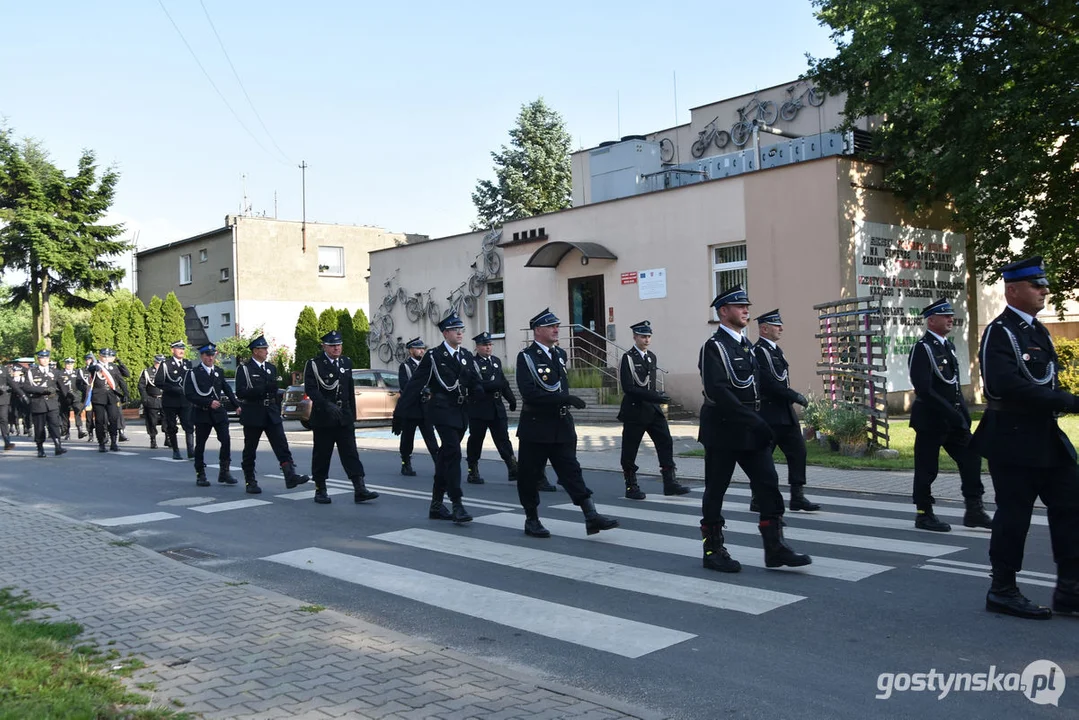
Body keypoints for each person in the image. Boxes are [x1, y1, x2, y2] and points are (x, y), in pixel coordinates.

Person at [973, 257, 1079, 620]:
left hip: (1045, 435)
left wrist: (1060, 398)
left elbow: (1046, 378)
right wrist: (1063, 400)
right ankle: (1002, 589)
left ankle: (1070, 588)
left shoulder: (1037, 331)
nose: (1044, 291)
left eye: (1044, 285)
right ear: (1013, 290)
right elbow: (1003, 384)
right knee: (1014, 514)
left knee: (1071, 505)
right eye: (1036, 285)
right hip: (1012, 437)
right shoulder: (999, 332)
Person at [698, 286, 811, 573]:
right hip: (723, 431)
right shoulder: (715, 347)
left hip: (751, 430)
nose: (746, 309)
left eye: (747, 305)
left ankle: (774, 548)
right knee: (716, 490)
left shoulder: (746, 346)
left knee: (768, 486)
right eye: (739, 306)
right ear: (723, 312)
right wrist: (756, 422)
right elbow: (720, 392)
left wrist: (760, 422)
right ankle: (713, 549)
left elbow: (760, 386)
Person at [514, 308, 619, 538]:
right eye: (551, 326)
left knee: (572, 471)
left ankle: (591, 516)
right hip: (536, 426)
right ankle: (532, 519)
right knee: (530, 476)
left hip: (561, 426)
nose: (556, 330)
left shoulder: (560, 354)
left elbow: (560, 386)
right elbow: (530, 394)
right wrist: (564, 398)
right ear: (538, 330)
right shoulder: (527, 357)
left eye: (557, 326)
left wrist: (564, 402)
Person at [908, 298, 991, 532]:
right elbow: (924, 389)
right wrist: (950, 413)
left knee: (972, 459)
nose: (949, 319)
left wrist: (962, 418)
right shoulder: (922, 348)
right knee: (927, 469)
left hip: (954, 421)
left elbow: (954, 386)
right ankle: (924, 514)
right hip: (931, 421)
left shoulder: (948, 347)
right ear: (931, 320)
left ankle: (974, 509)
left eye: (950, 316)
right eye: (945, 316)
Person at [394, 313, 478, 524]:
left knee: (444, 458)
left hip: (460, 412)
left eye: (462, 329)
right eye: (455, 330)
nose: (460, 333)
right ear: (445, 333)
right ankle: (457, 504)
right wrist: (399, 413)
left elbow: (475, 382)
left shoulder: (466, 355)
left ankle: (436, 505)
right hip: (441, 411)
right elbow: (414, 385)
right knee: (453, 453)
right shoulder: (434, 356)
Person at [751, 309, 821, 514]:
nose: (781, 328)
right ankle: (757, 497)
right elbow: (768, 383)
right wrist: (794, 395)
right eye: (775, 325)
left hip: (785, 413)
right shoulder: (758, 352)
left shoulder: (776, 350)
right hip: (768, 413)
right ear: (764, 328)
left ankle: (797, 497)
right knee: (763, 458)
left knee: (798, 452)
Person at [304, 330, 379, 505]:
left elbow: (349, 389)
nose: (337, 348)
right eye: (332, 345)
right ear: (324, 346)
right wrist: (325, 405)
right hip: (324, 416)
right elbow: (311, 389)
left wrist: (352, 414)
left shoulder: (345, 362)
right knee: (322, 454)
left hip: (343, 416)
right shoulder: (315, 364)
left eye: (339, 344)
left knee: (351, 453)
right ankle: (320, 489)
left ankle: (359, 488)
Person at [617, 321, 689, 500]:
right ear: (635, 337)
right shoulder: (628, 358)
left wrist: (656, 397)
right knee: (630, 448)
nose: (646, 340)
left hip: (652, 410)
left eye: (648, 336)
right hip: (635, 409)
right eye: (643, 336)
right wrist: (654, 396)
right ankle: (631, 485)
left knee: (665, 442)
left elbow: (649, 383)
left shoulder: (651, 357)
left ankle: (670, 482)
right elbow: (629, 388)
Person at [235, 335, 310, 494]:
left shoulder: (270, 368)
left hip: (271, 412)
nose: (266, 351)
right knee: (250, 449)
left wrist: (276, 396)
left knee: (281, 444)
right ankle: (250, 480)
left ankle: (290, 475)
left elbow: (274, 388)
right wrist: (261, 389)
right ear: (255, 351)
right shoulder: (245, 369)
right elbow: (241, 392)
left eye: (266, 348)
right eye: (263, 349)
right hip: (254, 412)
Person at [465, 331, 520, 484]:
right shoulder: (472, 363)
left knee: (503, 439)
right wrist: (495, 385)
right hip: (479, 408)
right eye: (484, 345)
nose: (488, 348)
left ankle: (512, 467)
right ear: (477, 347)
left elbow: (503, 383)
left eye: (490, 344)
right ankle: (473, 470)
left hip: (496, 407)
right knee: (476, 440)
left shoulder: (495, 361)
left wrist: (511, 398)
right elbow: (477, 384)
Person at [184, 344, 240, 487]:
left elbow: (226, 389)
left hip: (218, 413)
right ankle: (200, 473)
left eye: (212, 355)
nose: (210, 358)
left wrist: (237, 405)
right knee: (201, 444)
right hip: (202, 412)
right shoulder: (194, 373)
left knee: (226, 440)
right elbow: (189, 394)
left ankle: (224, 471)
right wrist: (208, 402)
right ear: (201, 356)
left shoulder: (218, 372)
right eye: (207, 355)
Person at [394, 337, 440, 477]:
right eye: (418, 348)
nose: (421, 351)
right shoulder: (406, 366)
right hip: (411, 408)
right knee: (408, 438)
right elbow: (405, 386)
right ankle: (405, 463)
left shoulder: (427, 366)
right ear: (411, 350)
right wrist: (422, 390)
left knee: (431, 438)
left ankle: (439, 464)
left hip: (425, 408)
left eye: (423, 348)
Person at [19, 349, 66, 458]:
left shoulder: (55, 371)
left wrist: (69, 398)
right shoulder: (31, 372)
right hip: (38, 403)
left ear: (49, 359)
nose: (44, 360)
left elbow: (62, 387)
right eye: (42, 358)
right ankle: (40, 448)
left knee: (54, 425)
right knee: (39, 427)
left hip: (52, 402)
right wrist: (42, 390)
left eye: (46, 358)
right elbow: (26, 387)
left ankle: (58, 446)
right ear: (38, 359)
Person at [156, 340, 194, 461]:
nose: (182, 351)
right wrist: (172, 388)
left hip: (185, 401)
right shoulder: (166, 364)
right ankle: (176, 450)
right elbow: (158, 382)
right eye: (179, 348)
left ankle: (191, 450)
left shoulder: (188, 364)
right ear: (173, 350)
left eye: (183, 348)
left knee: (188, 425)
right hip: (170, 400)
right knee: (172, 426)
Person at [89, 349, 127, 453]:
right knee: (100, 421)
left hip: (112, 396)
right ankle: (101, 443)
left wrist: (125, 393)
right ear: (100, 356)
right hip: (98, 397)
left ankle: (114, 442)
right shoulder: (95, 366)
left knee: (113, 419)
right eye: (103, 357)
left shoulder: (113, 367)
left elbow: (120, 380)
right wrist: (94, 367)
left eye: (107, 357)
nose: (106, 359)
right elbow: (90, 369)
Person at [138, 355, 165, 449]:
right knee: (152, 421)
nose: (160, 365)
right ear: (155, 362)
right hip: (152, 399)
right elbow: (141, 386)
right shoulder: (147, 372)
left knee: (167, 420)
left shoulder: (167, 372)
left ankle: (168, 438)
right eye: (159, 363)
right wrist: (145, 398)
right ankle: (153, 439)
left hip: (164, 399)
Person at [0, 361, 26, 450]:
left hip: (3, 399)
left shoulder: (3, 369)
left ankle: (7, 441)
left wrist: (22, 394)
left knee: (4, 419)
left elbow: (11, 383)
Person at [58, 358, 81, 440]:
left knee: (78, 411)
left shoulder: (77, 372)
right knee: (65, 414)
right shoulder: (60, 373)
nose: (69, 365)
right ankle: (66, 431)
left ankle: (80, 429)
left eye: (71, 364)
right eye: (68, 363)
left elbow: (81, 384)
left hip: (75, 396)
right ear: (65, 364)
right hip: (64, 396)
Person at [76, 354, 96, 441]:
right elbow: (78, 384)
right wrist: (85, 389)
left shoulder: (96, 369)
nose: (89, 361)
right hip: (88, 395)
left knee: (101, 415)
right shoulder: (82, 371)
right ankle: (90, 433)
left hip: (97, 395)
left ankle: (104, 433)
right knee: (89, 415)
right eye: (87, 360)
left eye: (90, 360)